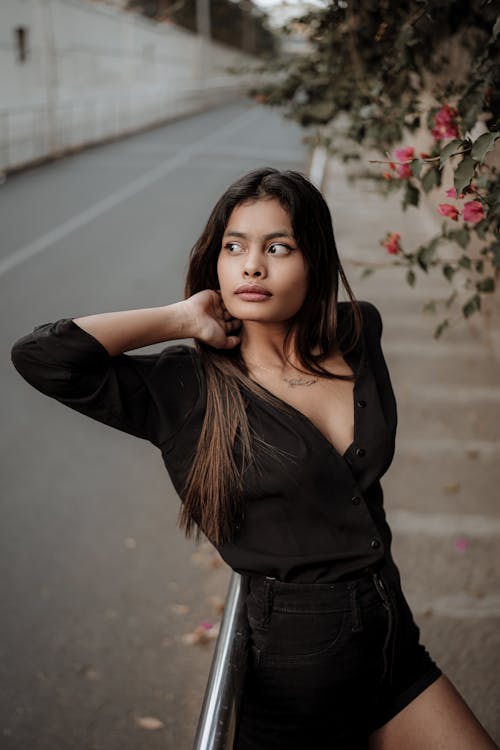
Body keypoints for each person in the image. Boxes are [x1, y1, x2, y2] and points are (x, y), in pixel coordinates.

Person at [10, 167, 498, 749]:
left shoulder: (356, 331)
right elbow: (43, 356)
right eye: (234, 247)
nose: (252, 266)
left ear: (314, 260)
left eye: (278, 248)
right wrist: (181, 318)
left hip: (393, 643)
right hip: (296, 675)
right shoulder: (186, 389)